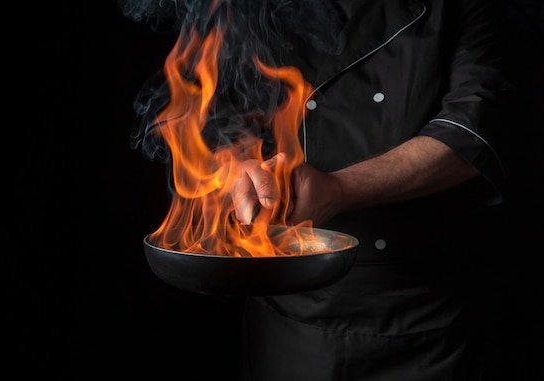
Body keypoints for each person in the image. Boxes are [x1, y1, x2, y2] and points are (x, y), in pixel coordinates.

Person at [123, 0, 512, 380]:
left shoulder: (462, 8)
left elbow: (474, 128)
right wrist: (239, 162)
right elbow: (223, 109)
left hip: (426, 314)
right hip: (291, 316)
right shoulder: (252, 8)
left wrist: (339, 188)